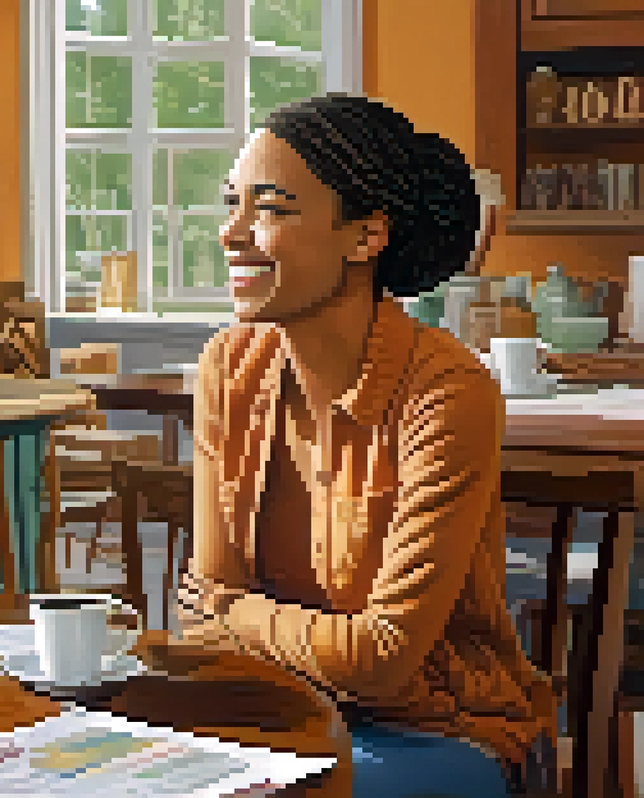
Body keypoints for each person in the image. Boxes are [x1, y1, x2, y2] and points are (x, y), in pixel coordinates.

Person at [178, 94, 557, 797]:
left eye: (271, 208)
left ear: (366, 236)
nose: (232, 232)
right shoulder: (228, 367)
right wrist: (229, 618)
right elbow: (198, 621)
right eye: (232, 203)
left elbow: (381, 661)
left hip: (437, 726)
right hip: (271, 707)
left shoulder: (446, 390)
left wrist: (233, 612)